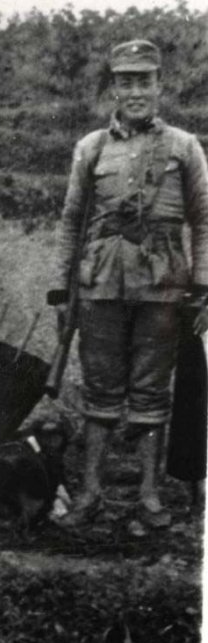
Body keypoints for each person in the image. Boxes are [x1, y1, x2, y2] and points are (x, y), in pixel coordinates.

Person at [50, 39, 208, 529]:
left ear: (160, 86)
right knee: (100, 391)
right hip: (100, 286)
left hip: (163, 286)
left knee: (151, 392)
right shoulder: (91, 147)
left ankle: (149, 495)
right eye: (126, 81)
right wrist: (61, 289)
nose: (136, 91)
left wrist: (203, 285)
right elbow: (71, 220)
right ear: (114, 88)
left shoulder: (184, 147)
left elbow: (204, 220)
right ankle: (90, 493)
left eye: (145, 80)